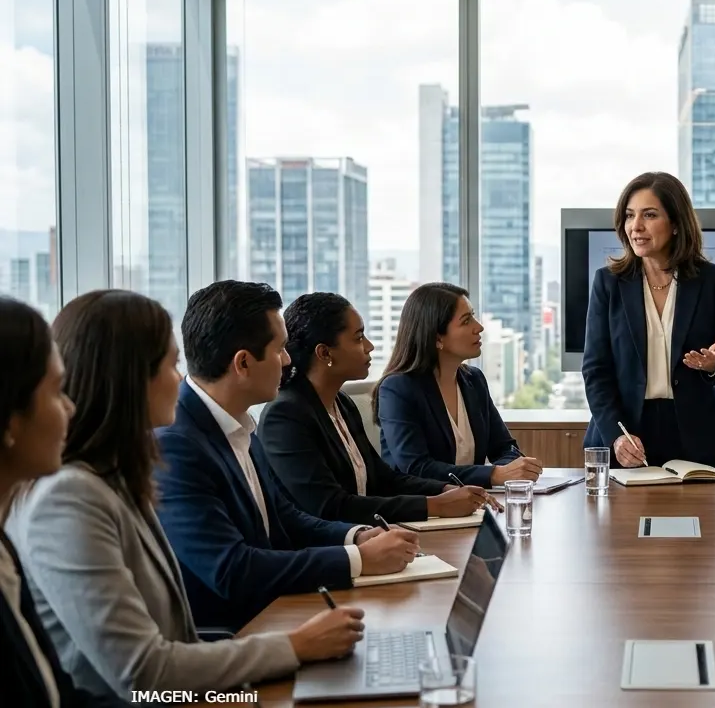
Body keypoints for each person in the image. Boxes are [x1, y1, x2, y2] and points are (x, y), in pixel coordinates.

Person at [6, 290, 367, 699]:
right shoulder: (68, 497)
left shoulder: (118, 477)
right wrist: (296, 646)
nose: (181, 379)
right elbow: (142, 672)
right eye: (171, 364)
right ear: (128, 380)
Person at [154, 280, 421, 632]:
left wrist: (355, 537)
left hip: (279, 613)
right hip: (236, 641)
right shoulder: (177, 445)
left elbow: (286, 520)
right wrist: (356, 559)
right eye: (279, 348)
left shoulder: (240, 423)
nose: (288, 359)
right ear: (244, 363)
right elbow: (231, 569)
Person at [259, 292, 494, 524]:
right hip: (322, 551)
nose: (369, 346)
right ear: (325, 353)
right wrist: (435, 505)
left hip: (366, 537)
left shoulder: (342, 403)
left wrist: (445, 489)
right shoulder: (285, 416)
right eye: (358, 338)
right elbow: (329, 506)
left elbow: (383, 480)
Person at [0, 297, 128, 708]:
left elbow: (61, 696)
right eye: (57, 391)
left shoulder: (4, 552)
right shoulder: (65, 496)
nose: (70, 406)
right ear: (8, 418)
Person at [580, 171, 715, 469]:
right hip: (626, 434)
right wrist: (616, 436)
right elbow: (595, 370)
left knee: (699, 517)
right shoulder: (608, 283)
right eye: (629, 216)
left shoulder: (711, 280)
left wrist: (714, 365)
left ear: (677, 223)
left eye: (649, 215)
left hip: (694, 436)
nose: (635, 227)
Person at [374, 283, 544, 487]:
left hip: (471, 507)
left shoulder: (474, 380)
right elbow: (417, 467)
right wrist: (493, 475)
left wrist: (511, 470)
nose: (479, 327)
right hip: (422, 509)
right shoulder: (397, 389)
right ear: (437, 338)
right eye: (466, 321)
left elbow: (505, 448)